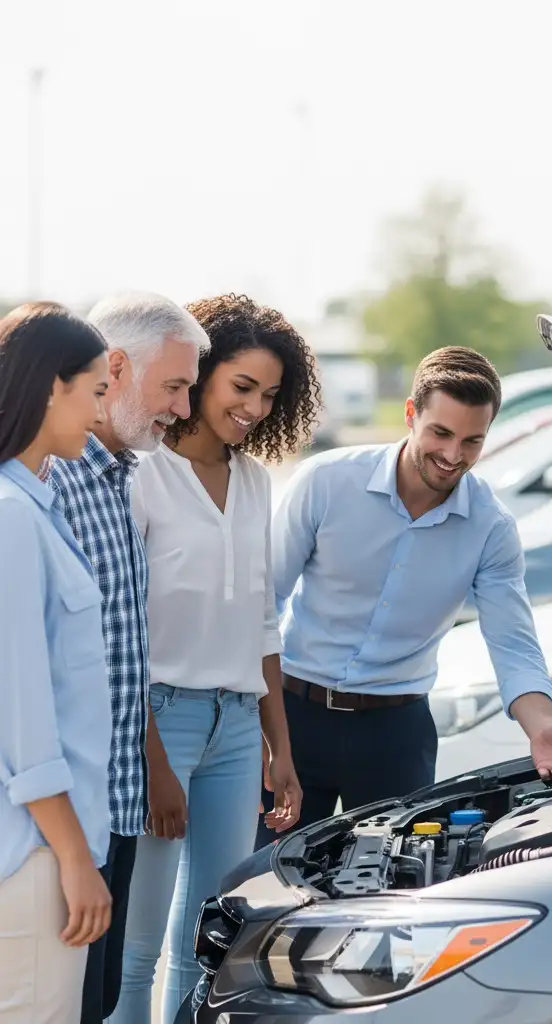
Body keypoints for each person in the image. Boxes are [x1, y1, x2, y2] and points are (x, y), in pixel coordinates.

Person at [257, 345, 552, 848]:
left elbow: (513, 643)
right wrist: (259, 723)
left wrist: (540, 725)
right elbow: (265, 602)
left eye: (472, 441)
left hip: (395, 737)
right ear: (410, 413)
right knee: (260, 883)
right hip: (292, 716)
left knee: (397, 894)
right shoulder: (325, 483)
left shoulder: (491, 527)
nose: (453, 455)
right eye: (441, 433)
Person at [110, 294, 320, 1024]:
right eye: (242, 388)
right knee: (136, 946)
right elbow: (122, 633)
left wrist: (278, 746)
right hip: (157, 719)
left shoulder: (258, 482)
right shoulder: (140, 474)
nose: (256, 408)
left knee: (212, 936)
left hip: (237, 726)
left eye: (269, 395)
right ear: (199, 376)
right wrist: (155, 761)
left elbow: (262, 620)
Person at [47, 292, 208, 1024]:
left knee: (101, 998)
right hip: (59, 825)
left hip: (111, 806)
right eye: (174, 386)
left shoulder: (120, 479)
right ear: (114, 368)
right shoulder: (48, 487)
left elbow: (120, 654)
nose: (182, 407)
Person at [0, 303, 114, 1023]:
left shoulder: (37, 503)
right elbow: (23, 717)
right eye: (97, 390)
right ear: (51, 387)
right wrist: (75, 857)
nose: (103, 412)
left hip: (44, 845)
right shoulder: (11, 516)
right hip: (34, 853)